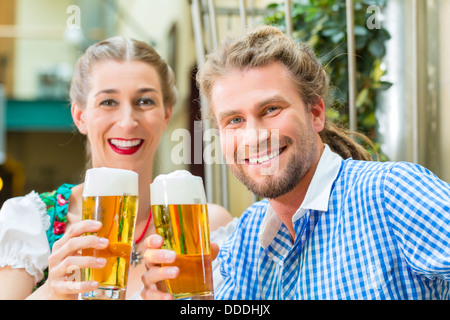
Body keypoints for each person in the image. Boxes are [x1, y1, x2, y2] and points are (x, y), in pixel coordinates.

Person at [141, 25, 450, 300]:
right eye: (234, 120)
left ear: (315, 113)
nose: (253, 137)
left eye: (271, 109)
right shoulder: (247, 237)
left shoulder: (391, 192)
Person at [0, 36, 235, 300]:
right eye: (108, 102)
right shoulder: (30, 222)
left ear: (166, 115)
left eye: (145, 101)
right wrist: (50, 293)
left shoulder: (210, 227)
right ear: (80, 116)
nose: (127, 122)